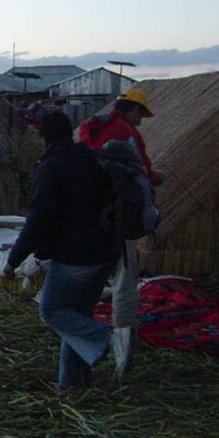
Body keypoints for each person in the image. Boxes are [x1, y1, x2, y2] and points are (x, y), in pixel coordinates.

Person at [5, 112, 121, 389]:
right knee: (77, 320)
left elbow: (39, 218)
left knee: (52, 312)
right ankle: (72, 385)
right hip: (105, 251)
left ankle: (109, 338)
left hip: (75, 255)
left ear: (43, 136)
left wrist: (14, 259)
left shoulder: (52, 166)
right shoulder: (89, 158)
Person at [79, 87, 164, 380]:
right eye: (140, 113)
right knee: (125, 283)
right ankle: (121, 350)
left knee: (88, 280)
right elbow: (141, 170)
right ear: (131, 110)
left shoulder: (92, 129)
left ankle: (81, 343)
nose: (141, 120)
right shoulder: (126, 133)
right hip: (121, 219)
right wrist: (156, 180)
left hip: (91, 217)